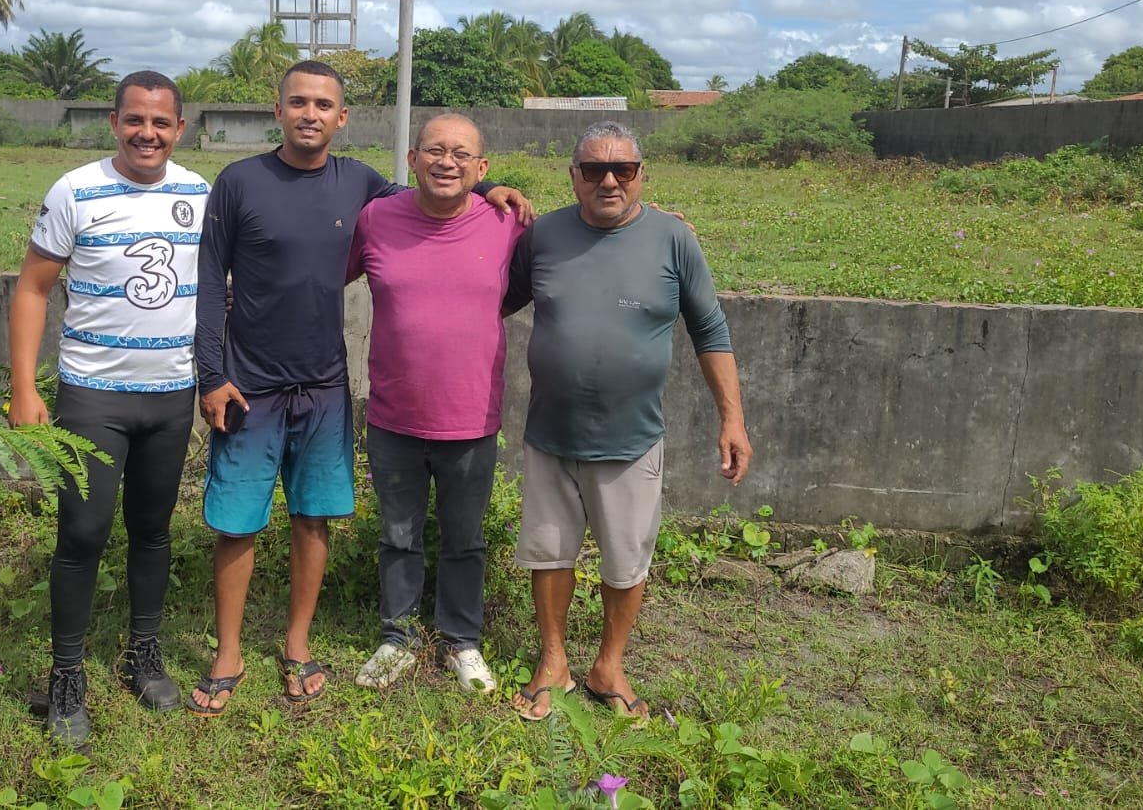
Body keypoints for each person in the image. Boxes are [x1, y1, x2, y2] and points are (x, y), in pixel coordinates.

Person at [189, 61, 530, 716]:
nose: (310, 113)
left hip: (322, 385)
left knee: (313, 516)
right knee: (236, 522)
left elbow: (433, 193)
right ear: (278, 109)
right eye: (298, 101)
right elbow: (208, 279)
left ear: (342, 118)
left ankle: (297, 643)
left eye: (323, 104)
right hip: (247, 383)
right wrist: (212, 372)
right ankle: (228, 649)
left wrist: (495, 191)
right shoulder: (238, 181)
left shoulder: (363, 187)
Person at [502, 121, 752, 722]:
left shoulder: (672, 239)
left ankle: (608, 665)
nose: (608, 180)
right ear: (573, 176)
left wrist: (733, 419)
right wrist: (490, 198)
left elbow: (709, 329)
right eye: (593, 170)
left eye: (624, 170)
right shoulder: (542, 236)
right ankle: (554, 661)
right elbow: (494, 298)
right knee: (550, 552)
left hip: (631, 439)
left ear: (643, 175)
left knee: (625, 560)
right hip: (551, 434)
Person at [7, 70, 205, 745]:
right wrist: (25, 386)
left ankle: (142, 655)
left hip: (171, 394)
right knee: (84, 532)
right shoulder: (75, 190)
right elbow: (34, 288)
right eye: (134, 120)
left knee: (152, 530)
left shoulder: (200, 195)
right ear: (113, 122)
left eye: (160, 122)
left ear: (179, 129)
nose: (146, 133)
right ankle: (66, 677)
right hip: (93, 395)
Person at [346, 113, 522, 695]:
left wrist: (654, 225)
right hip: (394, 414)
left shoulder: (505, 220)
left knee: (464, 539)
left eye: (461, 154)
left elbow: (585, 237)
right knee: (398, 534)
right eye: (435, 151)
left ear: (481, 168)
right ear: (412, 160)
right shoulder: (377, 219)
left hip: (470, 417)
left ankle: (461, 641)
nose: (447, 162)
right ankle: (397, 637)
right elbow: (319, 274)